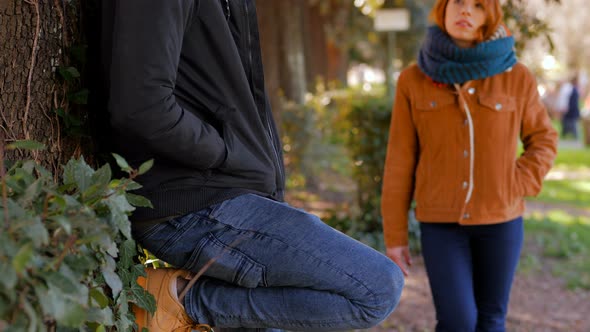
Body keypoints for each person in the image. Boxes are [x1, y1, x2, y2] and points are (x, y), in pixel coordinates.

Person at [100, 1, 404, 331]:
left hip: (230, 192)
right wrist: (225, 153)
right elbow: (140, 107)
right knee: (376, 288)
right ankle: (180, 299)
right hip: (193, 200)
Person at [380, 0, 558, 331]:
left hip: (501, 221)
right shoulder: (412, 79)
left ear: (488, 17)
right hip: (440, 223)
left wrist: (517, 183)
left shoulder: (516, 77)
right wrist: (395, 234)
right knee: (457, 321)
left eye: (477, 5)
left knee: (491, 321)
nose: (466, 11)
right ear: (443, 9)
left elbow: (544, 140)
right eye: (459, 2)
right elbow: (400, 159)